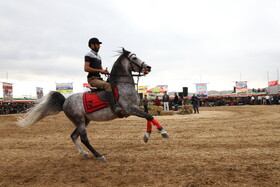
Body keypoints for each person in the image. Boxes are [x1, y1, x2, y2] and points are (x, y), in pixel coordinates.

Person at [84, 37, 123, 117]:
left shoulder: (99, 57)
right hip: (92, 79)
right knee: (108, 85)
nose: (99, 46)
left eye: (99, 44)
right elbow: (86, 68)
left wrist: (104, 71)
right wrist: (101, 71)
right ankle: (114, 108)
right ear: (92, 45)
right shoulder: (88, 55)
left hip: (99, 78)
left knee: (113, 84)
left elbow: (100, 69)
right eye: (97, 44)